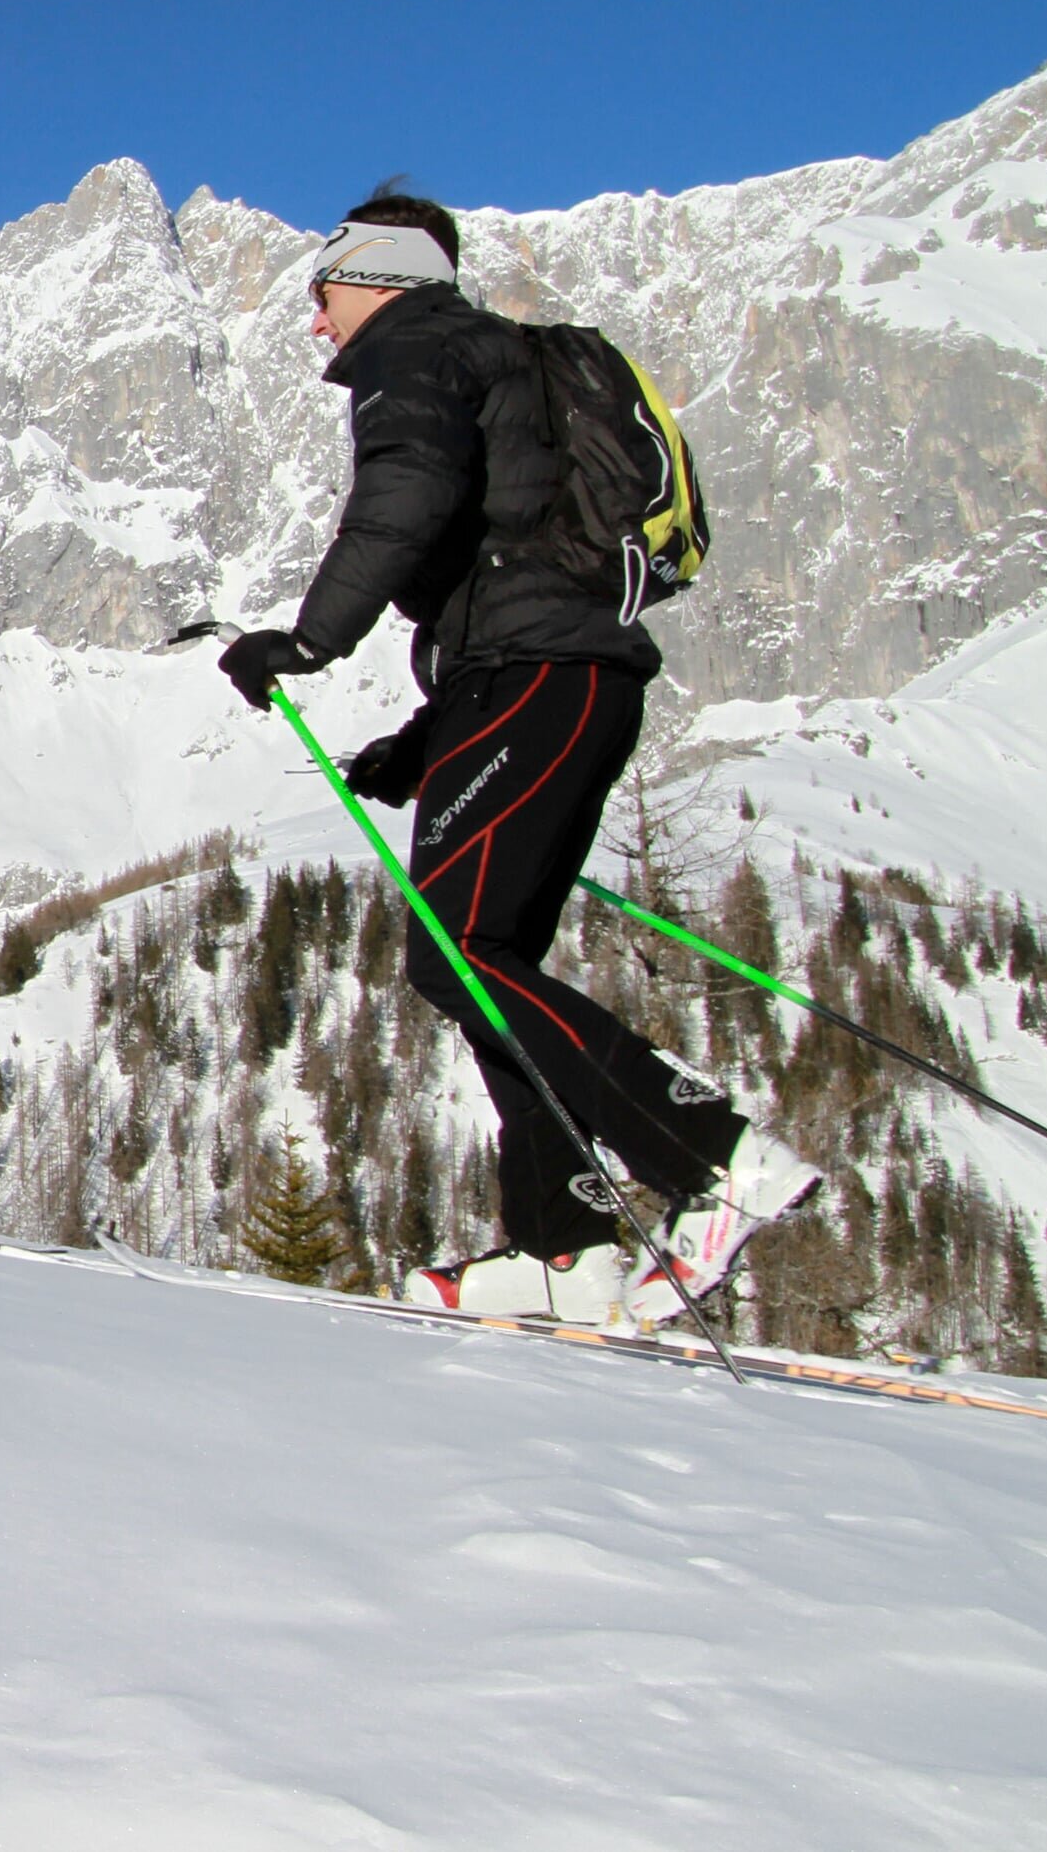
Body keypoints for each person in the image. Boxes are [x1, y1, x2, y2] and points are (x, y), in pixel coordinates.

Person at [222, 186, 815, 1323]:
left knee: (454, 957)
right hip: (547, 683)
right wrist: (421, 740)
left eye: (321, 292)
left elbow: (404, 498)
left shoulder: (419, 348)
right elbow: (507, 569)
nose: (314, 322)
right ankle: (565, 1246)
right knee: (486, 963)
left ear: (374, 272)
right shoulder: (495, 362)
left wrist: (306, 639)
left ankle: (711, 1155)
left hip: (535, 684)